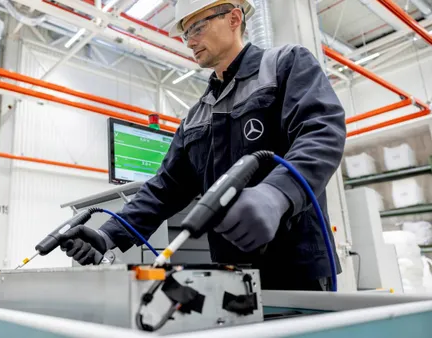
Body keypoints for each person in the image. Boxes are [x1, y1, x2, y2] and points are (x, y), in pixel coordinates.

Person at [60, 0, 346, 291]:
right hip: (232, 276)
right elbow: (164, 188)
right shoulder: (196, 116)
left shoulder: (285, 65)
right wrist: (110, 234)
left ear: (234, 18)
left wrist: (276, 194)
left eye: (197, 27)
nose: (190, 41)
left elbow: (321, 131)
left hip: (298, 268)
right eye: (186, 34)